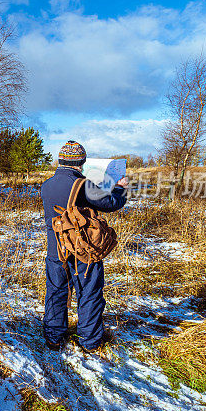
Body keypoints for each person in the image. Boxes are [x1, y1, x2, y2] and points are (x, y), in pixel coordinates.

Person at [40, 140, 128, 352]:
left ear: (60, 161)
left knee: (56, 291)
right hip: (82, 251)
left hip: (56, 250)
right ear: (81, 162)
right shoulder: (83, 185)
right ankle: (89, 342)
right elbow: (112, 204)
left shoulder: (46, 185)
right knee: (89, 293)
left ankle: (53, 337)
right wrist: (120, 188)